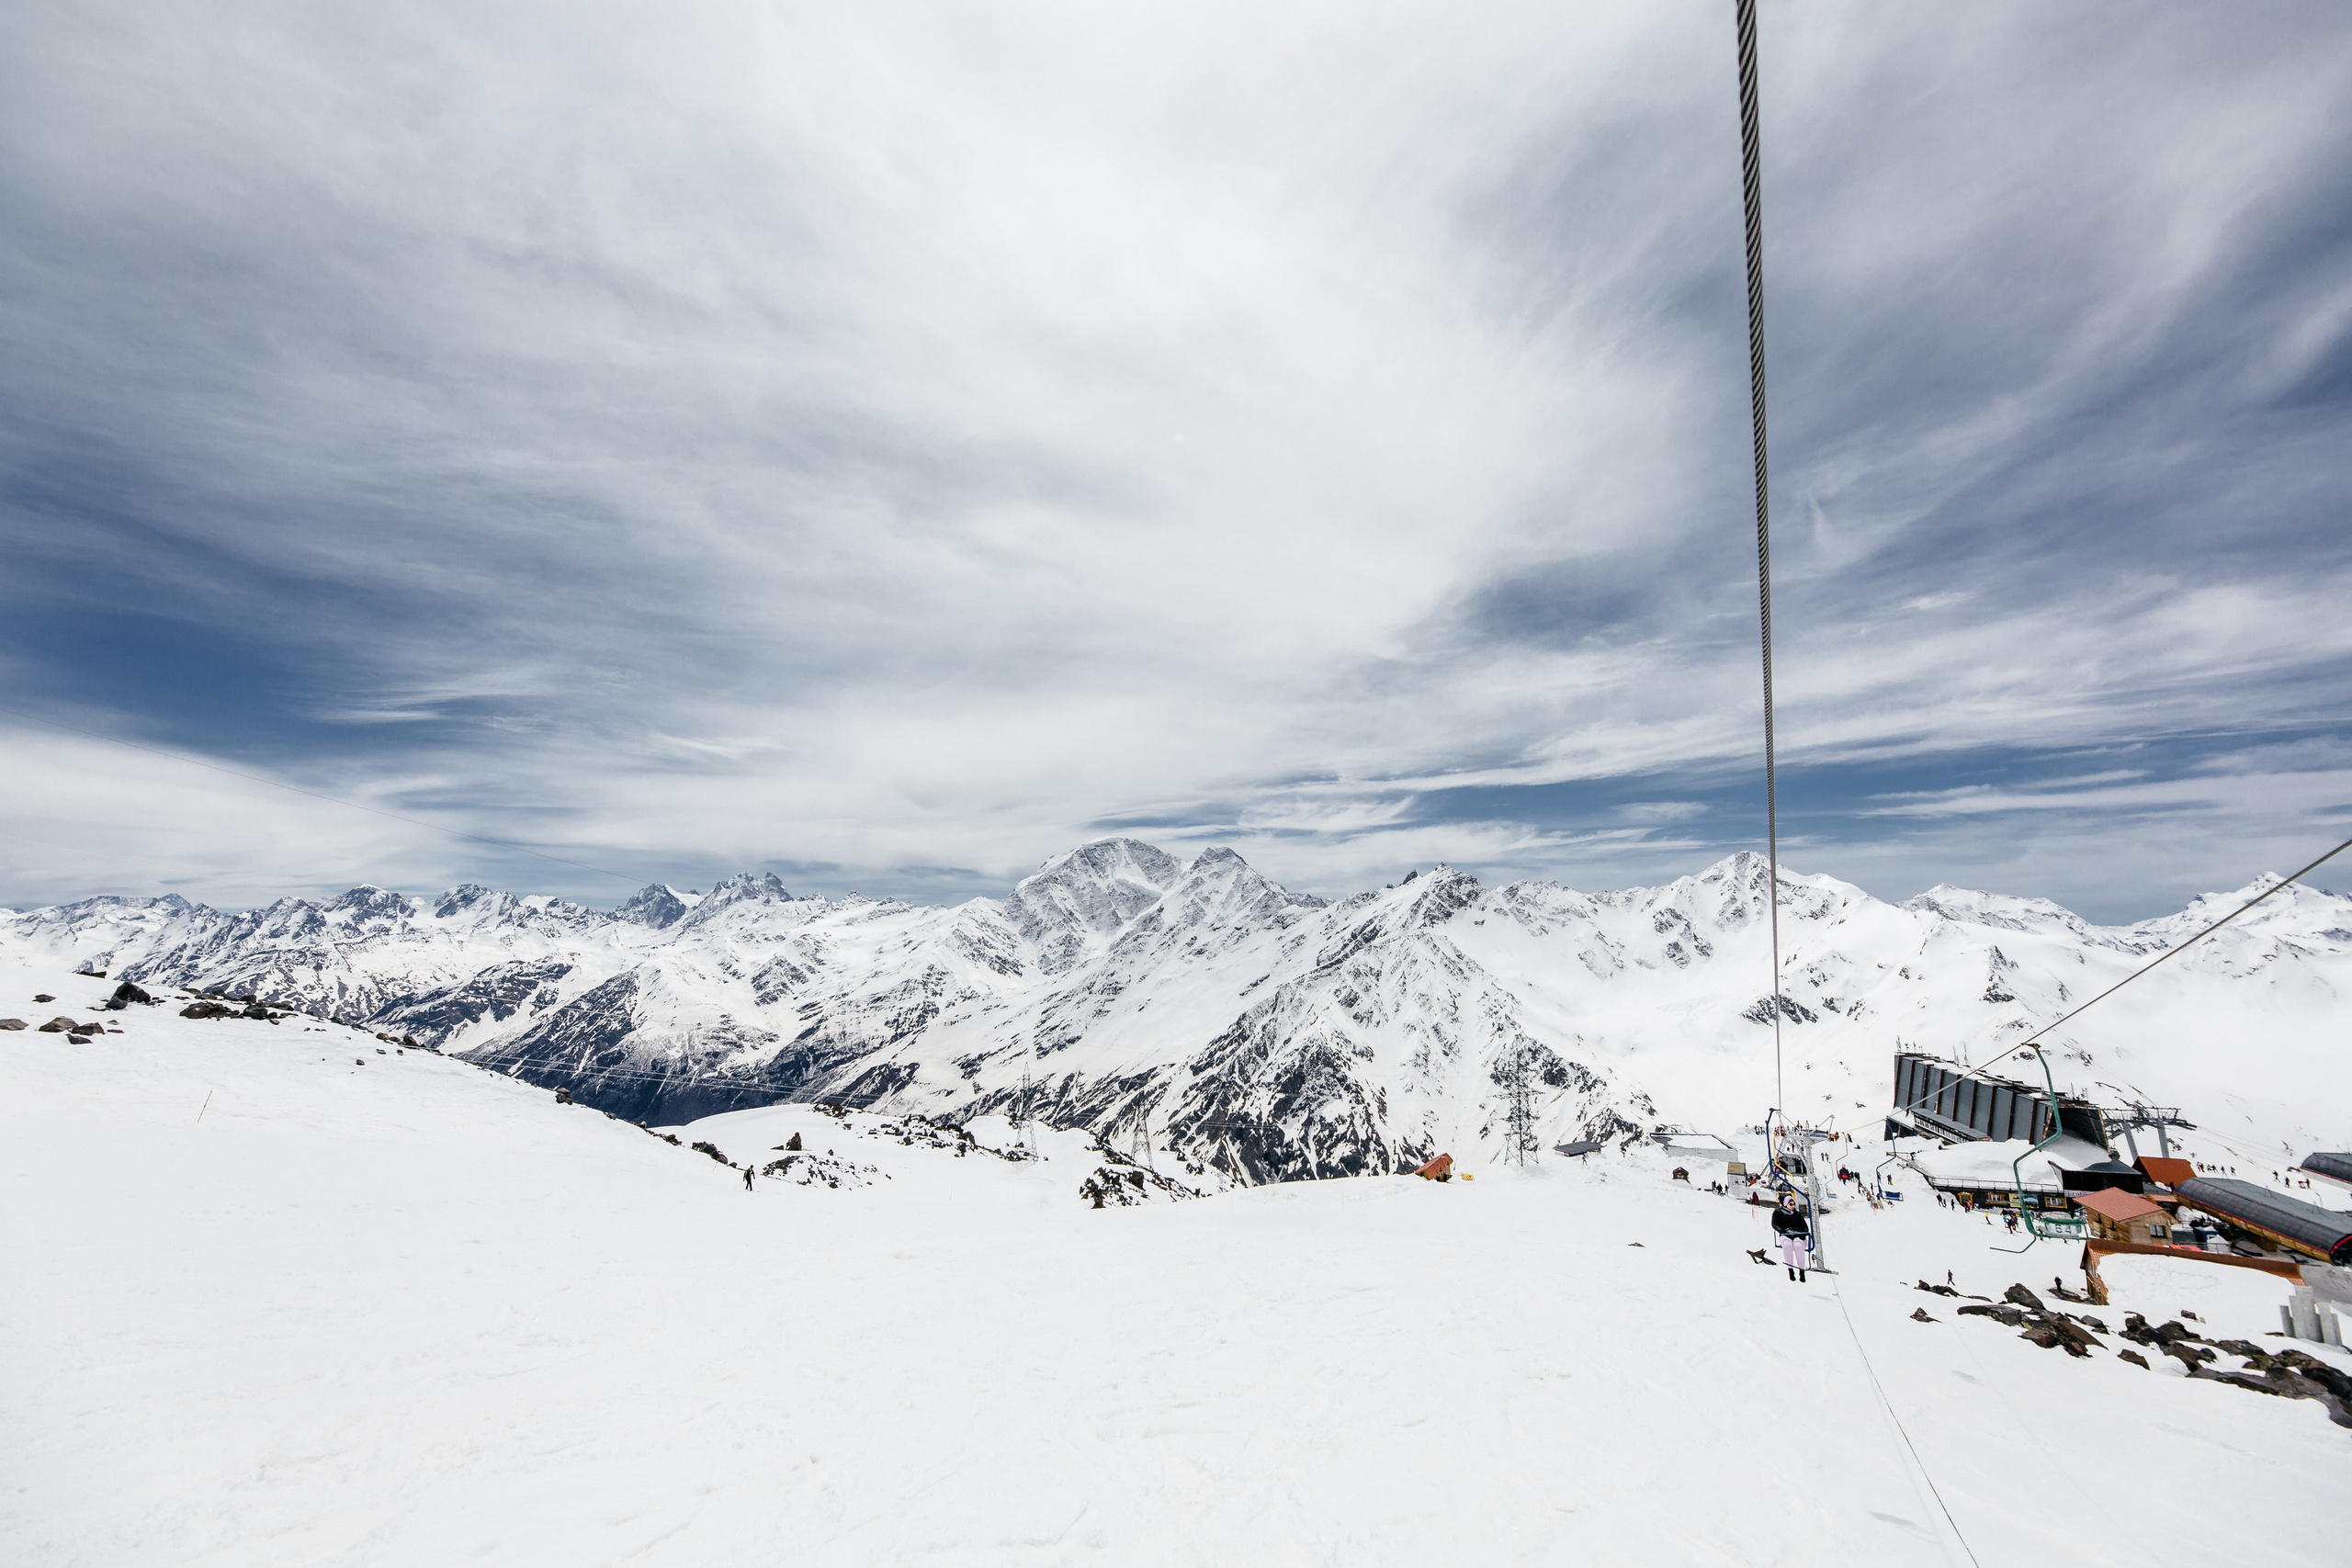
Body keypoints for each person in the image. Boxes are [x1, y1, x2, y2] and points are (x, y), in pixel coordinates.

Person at [1770, 1195, 1812, 1281]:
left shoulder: (1797, 1214)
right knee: (1787, 1245)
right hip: (1785, 1234)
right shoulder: (1778, 1212)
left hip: (1798, 1234)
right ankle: (1790, 1269)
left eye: (1794, 1204)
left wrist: (1803, 1235)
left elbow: (1804, 1226)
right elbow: (1774, 1224)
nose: (1793, 1206)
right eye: (1791, 1204)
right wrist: (1781, 1230)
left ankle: (1802, 1271)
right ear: (1786, 1204)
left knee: (1798, 1246)